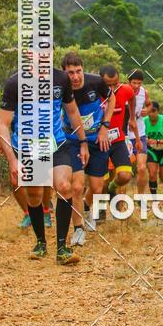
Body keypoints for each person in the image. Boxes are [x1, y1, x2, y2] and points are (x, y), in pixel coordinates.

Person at [0, 61, 89, 264]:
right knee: (35, 194)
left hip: (56, 143)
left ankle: (62, 248)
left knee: (64, 186)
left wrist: (83, 141)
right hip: (28, 147)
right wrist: (12, 159)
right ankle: (40, 242)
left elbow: (72, 112)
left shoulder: (61, 78)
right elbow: (3, 123)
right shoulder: (15, 83)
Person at [61, 52, 116, 245]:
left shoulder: (96, 82)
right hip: (72, 140)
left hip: (97, 139)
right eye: (70, 73)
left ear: (83, 69)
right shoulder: (61, 86)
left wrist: (105, 127)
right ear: (64, 72)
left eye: (78, 71)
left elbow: (112, 99)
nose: (75, 77)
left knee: (96, 186)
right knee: (76, 186)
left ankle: (86, 207)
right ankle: (78, 229)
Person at [98, 65, 141, 202]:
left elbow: (132, 98)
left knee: (125, 176)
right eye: (107, 85)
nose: (111, 89)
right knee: (100, 183)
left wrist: (132, 118)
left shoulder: (126, 90)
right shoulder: (93, 94)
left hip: (118, 140)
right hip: (99, 142)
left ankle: (112, 188)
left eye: (115, 84)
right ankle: (100, 211)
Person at [0, 135, 54, 227]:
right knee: (16, 181)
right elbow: (2, 122)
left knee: (44, 178)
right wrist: (0, 139)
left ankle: (45, 211)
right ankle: (28, 214)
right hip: (18, 143)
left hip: (41, 140)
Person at [127, 69, 151, 195]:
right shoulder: (121, 92)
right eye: (134, 83)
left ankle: (140, 197)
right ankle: (120, 204)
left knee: (142, 168)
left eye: (139, 83)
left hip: (140, 134)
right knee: (124, 172)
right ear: (128, 81)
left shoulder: (144, 92)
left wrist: (147, 110)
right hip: (124, 136)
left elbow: (149, 105)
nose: (136, 86)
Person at [145, 102, 163, 195]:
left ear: (158, 111)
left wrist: (157, 141)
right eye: (149, 111)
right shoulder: (143, 121)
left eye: (153, 111)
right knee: (152, 174)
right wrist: (144, 140)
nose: (151, 114)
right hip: (151, 150)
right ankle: (154, 198)